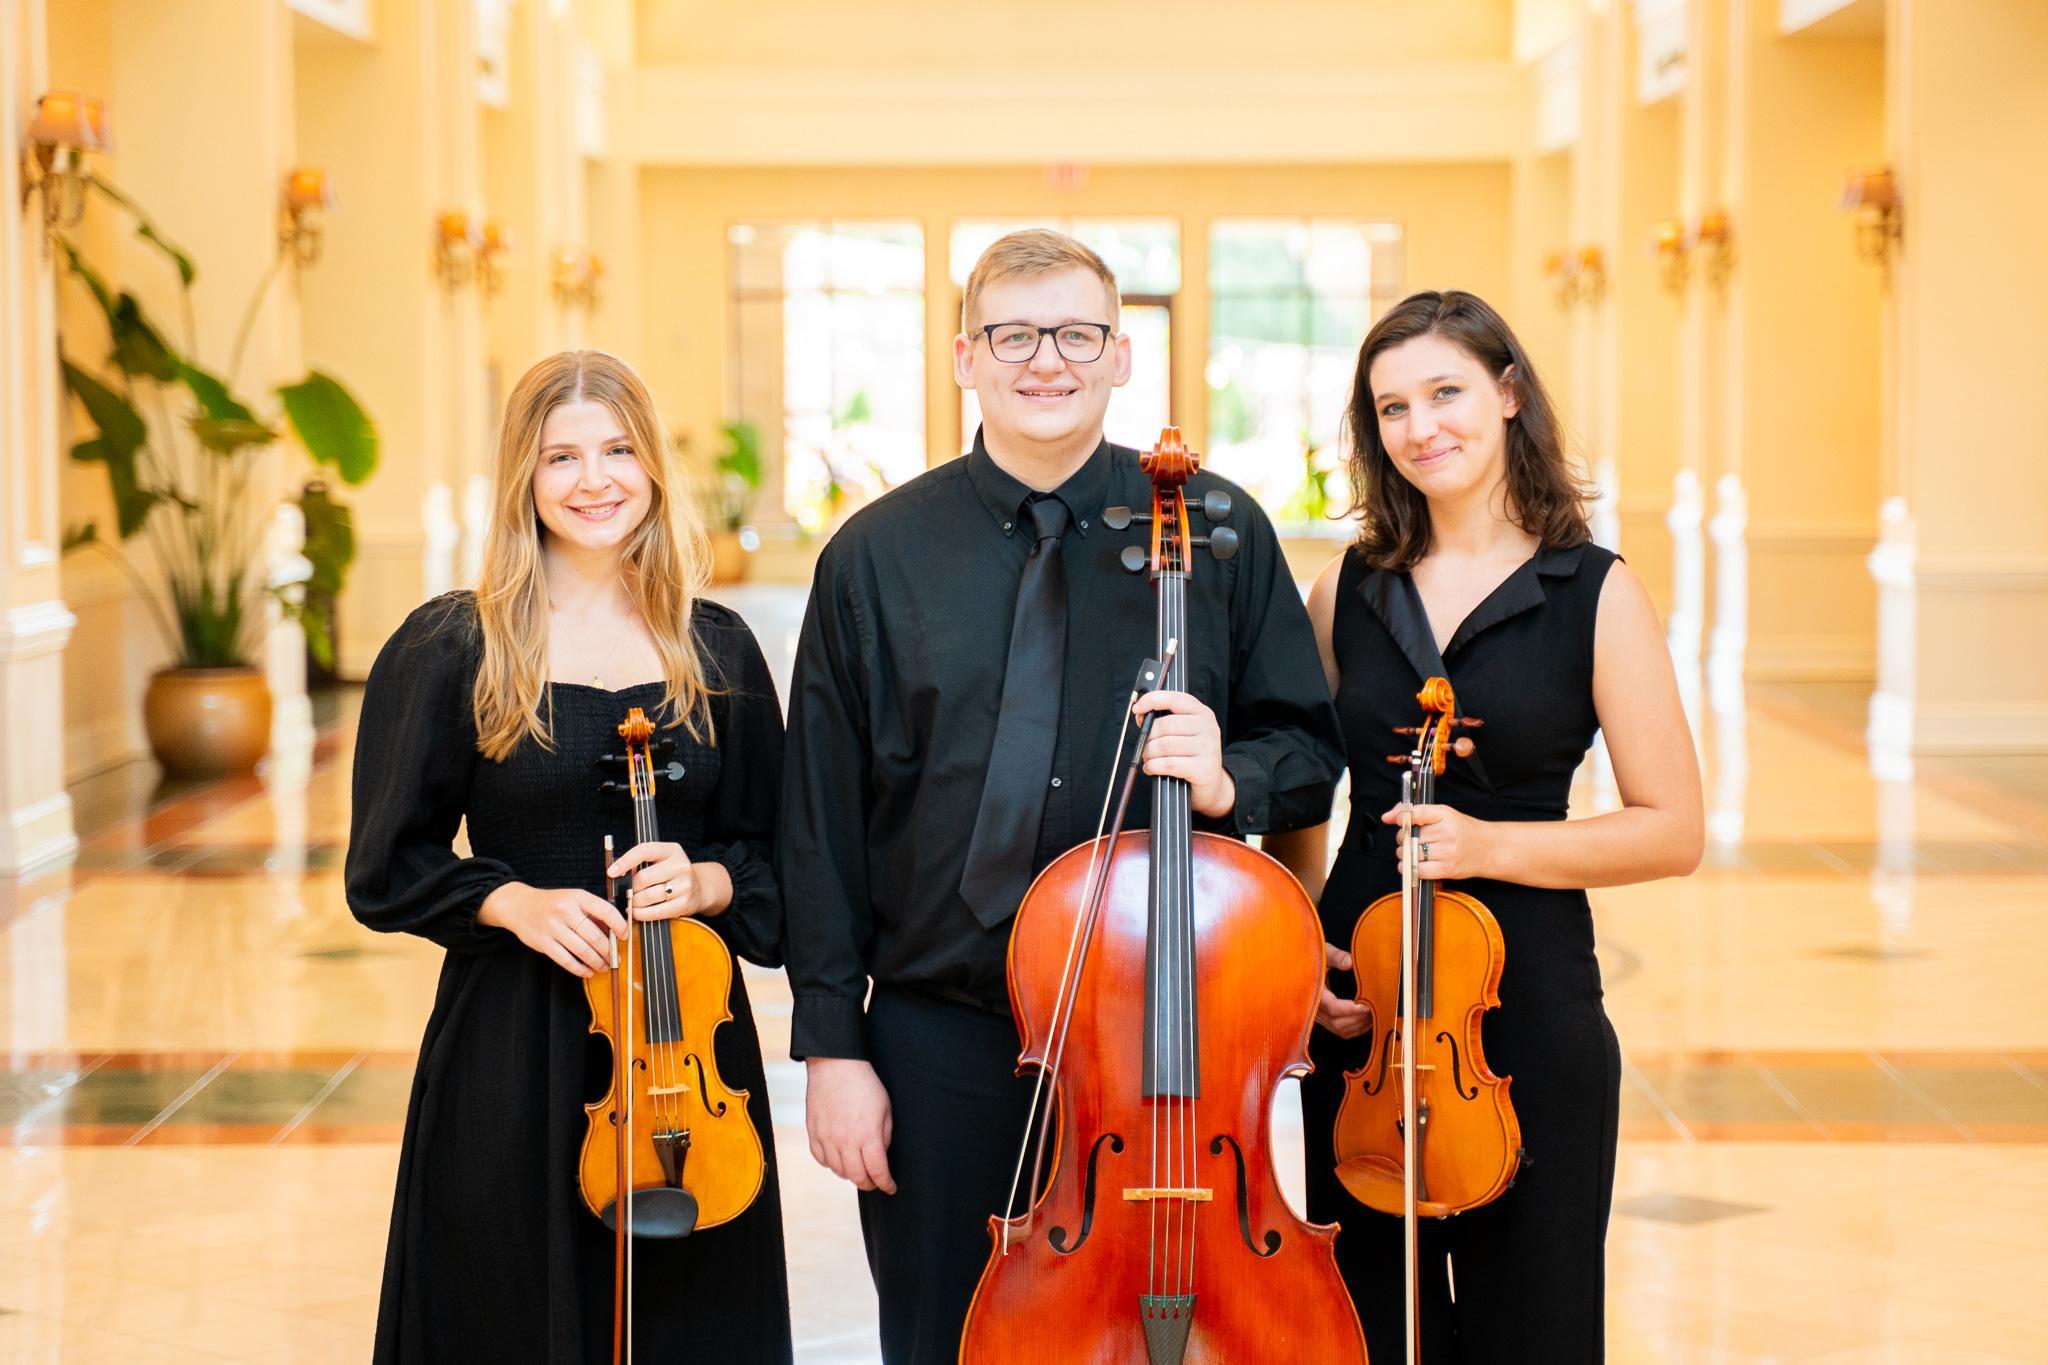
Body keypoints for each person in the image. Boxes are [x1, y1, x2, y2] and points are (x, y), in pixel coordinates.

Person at [779, 229, 1345, 1363]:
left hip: (1157, 1045)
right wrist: (833, 1048)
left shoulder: (1220, 532)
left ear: (1122, 356)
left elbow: (1307, 749)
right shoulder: (873, 557)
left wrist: (1230, 774)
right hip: (936, 1033)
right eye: (1014, 335)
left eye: (1079, 334)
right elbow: (819, 821)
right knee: (941, 1336)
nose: (1048, 361)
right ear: (964, 358)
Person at [1267, 290, 1704, 1361]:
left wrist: (1488, 845)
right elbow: (1303, 794)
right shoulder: (1345, 590)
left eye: (1445, 393)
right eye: (1391, 408)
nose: (1421, 427)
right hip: (1363, 1013)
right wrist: (1298, 947)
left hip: (1527, 1006)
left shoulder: (1593, 592)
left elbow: (1672, 828)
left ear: (1507, 394)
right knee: (1368, 1320)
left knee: (1534, 1325)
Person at [344, 350, 793, 1363]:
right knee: (508, 1307)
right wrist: (512, 902)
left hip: (683, 1051)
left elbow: (782, 856)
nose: (595, 480)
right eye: (562, 457)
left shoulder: (715, 648)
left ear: (653, 467)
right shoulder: (455, 645)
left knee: (686, 1321)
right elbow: (385, 866)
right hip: (514, 1041)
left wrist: (710, 880)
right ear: (525, 476)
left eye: (618, 451)